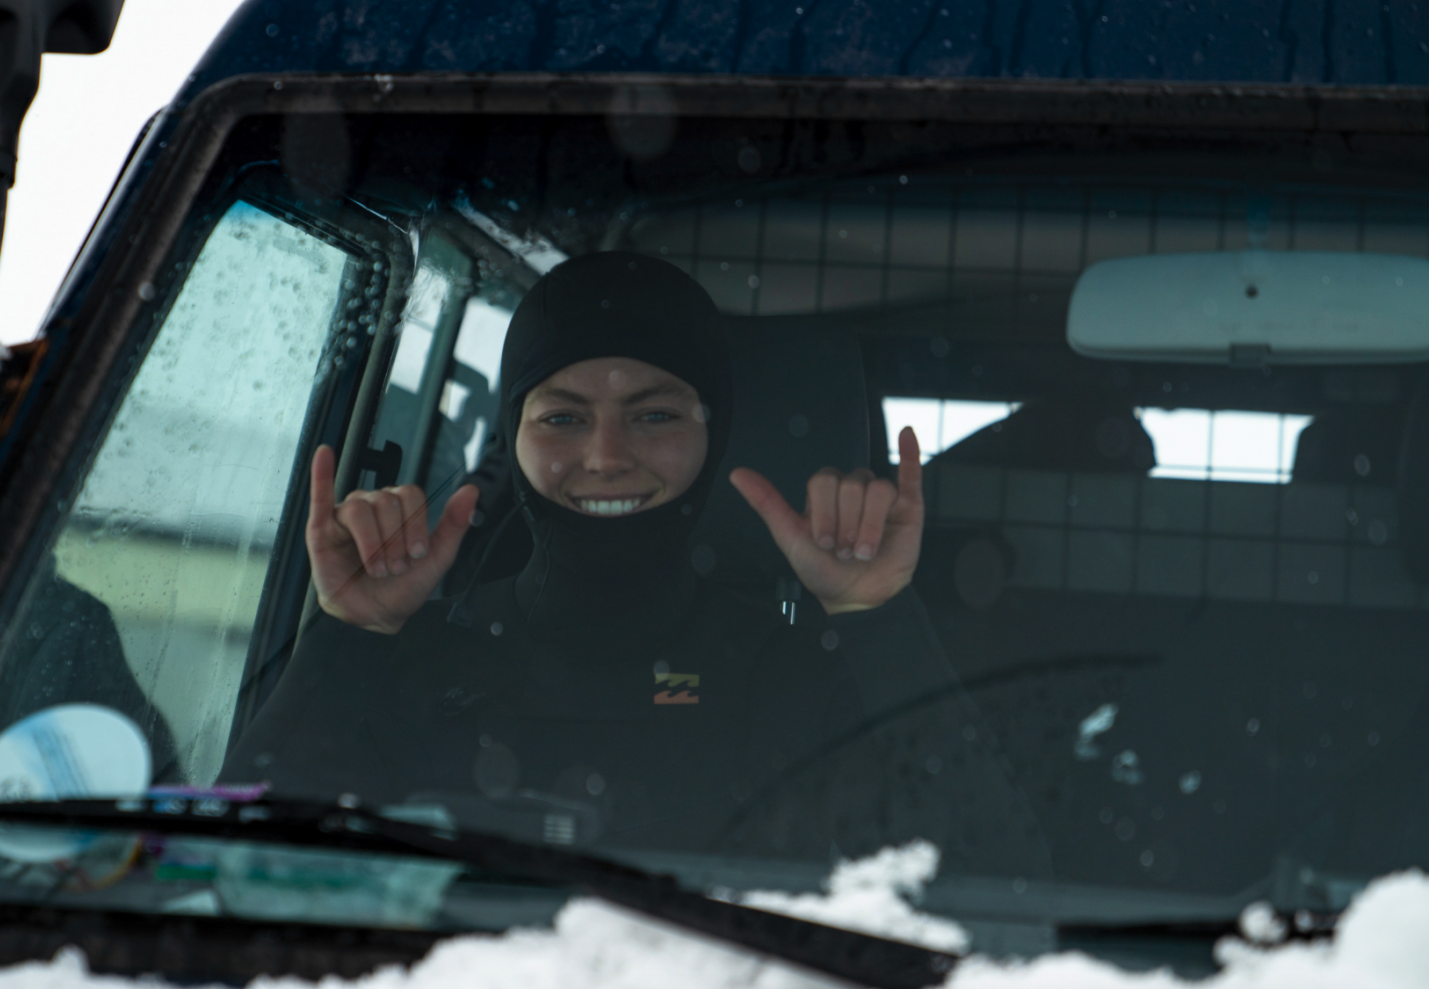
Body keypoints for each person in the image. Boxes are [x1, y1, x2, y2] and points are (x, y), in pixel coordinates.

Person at [222, 253, 929, 850]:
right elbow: (234, 869)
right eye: (562, 417)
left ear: (717, 433)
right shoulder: (411, 663)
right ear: (512, 432)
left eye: (655, 415)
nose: (606, 455)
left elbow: (987, 886)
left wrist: (878, 617)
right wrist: (350, 635)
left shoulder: (786, 678)